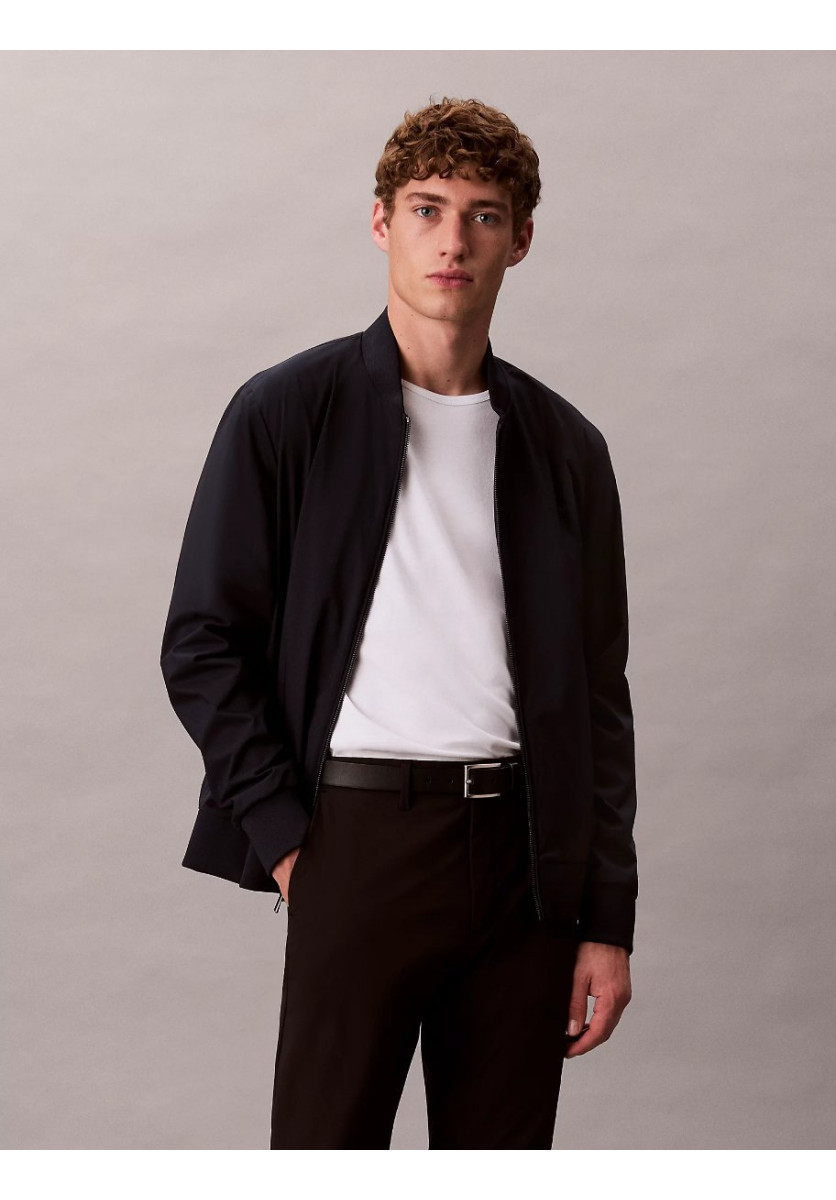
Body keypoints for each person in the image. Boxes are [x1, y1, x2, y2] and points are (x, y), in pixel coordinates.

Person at [160, 96, 638, 1150]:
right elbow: (201, 642)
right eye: (427, 210)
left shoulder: (566, 448)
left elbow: (599, 698)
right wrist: (288, 842)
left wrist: (606, 918)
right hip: (356, 841)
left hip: (522, 861)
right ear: (382, 223)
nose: (452, 240)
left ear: (519, 238)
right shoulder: (286, 412)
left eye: (482, 215)